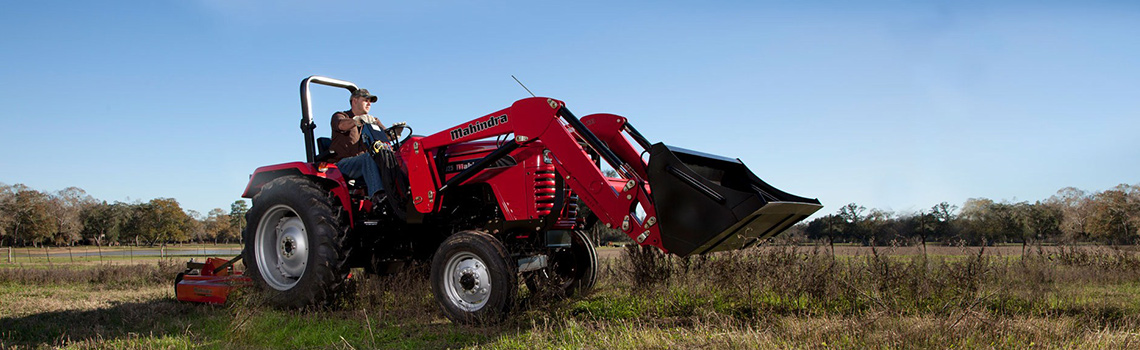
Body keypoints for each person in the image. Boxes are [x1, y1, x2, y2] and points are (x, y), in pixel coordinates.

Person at [329, 88, 389, 201]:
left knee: (390, 158)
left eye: (370, 101)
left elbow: (386, 135)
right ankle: (379, 197)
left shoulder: (372, 121)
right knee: (368, 157)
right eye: (366, 100)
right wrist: (356, 121)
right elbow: (341, 125)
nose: (369, 103)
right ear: (354, 100)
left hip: (364, 164)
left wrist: (396, 132)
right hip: (342, 165)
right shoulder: (340, 116)